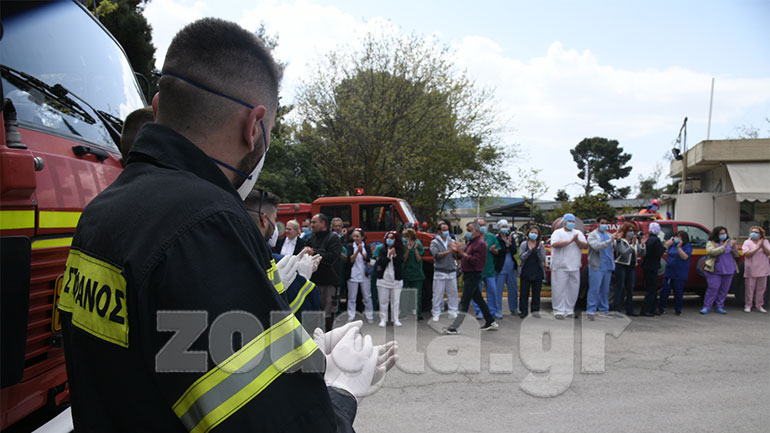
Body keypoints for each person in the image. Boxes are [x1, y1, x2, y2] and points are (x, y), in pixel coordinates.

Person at [56, 18, 370, 432]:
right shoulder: (205, 223)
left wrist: (299, 351)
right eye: (269, 133)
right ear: (253, 127)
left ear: (156, 109)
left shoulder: (101, 210)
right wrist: (340, 392)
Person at [246, 190, 320, 319]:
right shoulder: (273, 260)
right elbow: (308, 318)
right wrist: (303, 280)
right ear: (264, 220)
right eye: (275, 219)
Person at [443, 219, 498, 334]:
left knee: (464, 301)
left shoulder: (480, 244)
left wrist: (463, 254)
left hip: (474, 274)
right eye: (467, 230)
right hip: (468, 273)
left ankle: (454, 327)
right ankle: (490, 321)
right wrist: (457, 251)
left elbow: (476, 261)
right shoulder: (470, 242)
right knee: (478, 299)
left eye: (469, 230)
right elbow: (463, 256)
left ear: (477, 231)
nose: (467, 232)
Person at [305, 213, 343, 330]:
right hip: (314, 282)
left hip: (330, 283)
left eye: (314, 222)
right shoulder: (310, 239)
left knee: (328, 315)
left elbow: (331, 257)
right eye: (311, 222)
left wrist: (314, 253)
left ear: (323, 224)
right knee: (314, 314)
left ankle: (327, 340)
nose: (311, 225)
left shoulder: (334, 239)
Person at [549, 213, 588, 319]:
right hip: (560, 266)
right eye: (569, 221)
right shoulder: (558, 232)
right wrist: (571, 241)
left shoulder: (578, 233)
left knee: (573, 289)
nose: (571, 223)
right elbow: (555, 244)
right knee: (559, 288)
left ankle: (569, 310)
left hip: (574, 265)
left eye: (572, 221)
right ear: (564, 222)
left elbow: (585, 245)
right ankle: (558, 311)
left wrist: (577, 240)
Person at [701, 226, 740, 314]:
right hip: (715, 270)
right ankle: (707, 306)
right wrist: (723, 247)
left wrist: (733, 247)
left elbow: (737, 255)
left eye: (724, 233)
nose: (723, 235)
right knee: (713, 288)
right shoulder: (711, 243)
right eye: (721, 233)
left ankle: (719, 306)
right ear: (716, 234)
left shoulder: (729, 243)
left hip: (729, 269)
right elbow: (711, 252)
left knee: (724, 289)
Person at [585, 216, 619, 320]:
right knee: (594, 289)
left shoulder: (609, 235)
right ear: (598, 223)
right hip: (596, 266)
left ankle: (604, 310)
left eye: (606, 223)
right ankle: (591, 311)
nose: (604, 225)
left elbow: (615, 248)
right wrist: (610, 240)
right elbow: (597, 246)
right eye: (602, 223)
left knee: (605, 290)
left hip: (607, 266)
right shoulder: (592, 235)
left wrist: (618, 240)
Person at [430, 221, 460, 321]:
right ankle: (436, 312)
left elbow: (456, 256)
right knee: (438, 294)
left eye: (447, 230)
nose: (446, 232)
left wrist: (456, 250)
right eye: (443, 230)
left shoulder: (451, 240)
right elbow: (436, 255)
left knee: (453, 293)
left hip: (451, 270)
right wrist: (449, 251)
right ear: (439, 231)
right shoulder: (434, 242)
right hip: (440, 271)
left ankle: (453, 311)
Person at [613, 222, 645, 316]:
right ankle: (616, 309)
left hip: (631, 266)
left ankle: (630, 309)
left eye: (633, 231)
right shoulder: (620, 241)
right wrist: (633, 244)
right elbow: (624, 253)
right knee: (620, 287)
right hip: (621, 265)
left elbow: (642, 253)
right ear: (625, 231)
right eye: (630, 231)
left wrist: (642, 245)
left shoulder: (634, 241)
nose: (632, 233)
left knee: (630, 288)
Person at [472, 217, 501, 319]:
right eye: (480, 225)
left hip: (489, 269)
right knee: (477, 292)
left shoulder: (492, 237)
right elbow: (468, 252)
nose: (482, 227)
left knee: (492, 291)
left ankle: (493, 311)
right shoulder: (473, 237)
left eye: (484, 225)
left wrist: (493, 250)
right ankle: (479, 311)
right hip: (476, 270)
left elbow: (498, 251)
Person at [658, 231, 692, 315]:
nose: (677, 238)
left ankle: (678, 309)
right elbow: (664, 250)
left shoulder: (687, 246)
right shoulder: (672, 245)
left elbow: (685, 257)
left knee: (678, 292)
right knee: (665, 290)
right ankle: (661, 307)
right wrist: (667, 244)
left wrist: (679, 247)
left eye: (679, 237)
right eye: (676, 237)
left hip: (680, 273)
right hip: (669, 271)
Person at [376, 231, 404, 327]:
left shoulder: (399, 250)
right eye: (388, 238)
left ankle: (395, 319)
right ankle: (383, 319)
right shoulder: (382, 249)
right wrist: (388, 256)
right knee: (383, 301)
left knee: (395, 301)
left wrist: (395, 255)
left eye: (392, 238)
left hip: (396, 280)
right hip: (383, 279)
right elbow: (380, 263)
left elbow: (400, 262)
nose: (390, 240)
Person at [345, 228, 374, 322]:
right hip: (353, 274)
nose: (356, 238)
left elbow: (370, 260)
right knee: (352, 297)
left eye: (358, 236)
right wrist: (357, 251)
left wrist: (362, 253)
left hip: (365, 274)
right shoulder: (350, 246)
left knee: (367, 296)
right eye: (354, 236)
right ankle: (351, 316)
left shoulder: (367, 246)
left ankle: (369, 315)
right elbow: (349, 260)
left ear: (362, 237)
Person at [518, 225, 546, 318]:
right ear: (528, 233)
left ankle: (535, 311)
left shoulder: (541, 245)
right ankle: (523, 311)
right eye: (532, 232)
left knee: (536, 293)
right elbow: (521, 257)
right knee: (524, 293)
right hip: (526, 271)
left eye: (536, 233)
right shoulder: (524, 244)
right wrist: (529, 251)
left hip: (537, 271)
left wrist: (537, 251)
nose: (534, 235)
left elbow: (542, 258)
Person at [493, 219, 519, 317]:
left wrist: (510, 245)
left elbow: (514, 251)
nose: (505, 228)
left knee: (513, 289)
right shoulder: (496, 239)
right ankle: (498, 309)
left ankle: (513, 308)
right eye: (502, 227)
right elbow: (498, 252)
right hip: (500, 268)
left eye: (506, 226)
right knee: (498, 290)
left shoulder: (510, 238)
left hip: (510, 268)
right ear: (499, 228)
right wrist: (506, 246)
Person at [742, 226, 770, 313]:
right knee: (750, 289)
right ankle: (748, 305)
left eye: (756, 232)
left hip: (763, 269)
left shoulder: (765, 241)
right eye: (752, 232)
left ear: (761, 234)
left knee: (761, 288)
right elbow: (747, 254)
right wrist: (758, 247)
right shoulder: (747, 242)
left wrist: (763, 246)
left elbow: (768, 252)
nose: (754, 233)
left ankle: (759, 305)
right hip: (751, 269)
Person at [640, 222, 665, 316]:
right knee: (652, 289)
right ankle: (646, 310)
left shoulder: (649, 239)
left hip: (647, 267)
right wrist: (666, 246)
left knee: (652, 289)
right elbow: (659, 253)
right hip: (652, 267)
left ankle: (653, 309)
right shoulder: (656, 240)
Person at [402, 228, 426, 320]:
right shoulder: (404, 245)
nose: (405, 238)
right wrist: (408, 249)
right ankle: (404, 313)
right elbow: (404, 259)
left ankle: (418, 314)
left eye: (406, 236)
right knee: (405, 294)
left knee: (417, 295)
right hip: (406, 273)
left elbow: (419, 259)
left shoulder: (418, 243)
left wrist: (415, 249)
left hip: (417, 274)